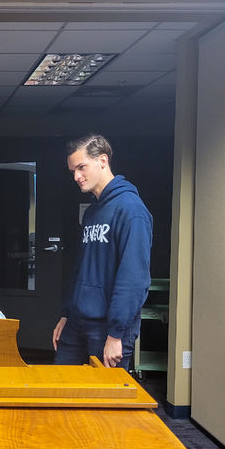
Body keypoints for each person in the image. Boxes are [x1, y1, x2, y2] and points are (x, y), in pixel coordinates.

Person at [52, 134, 152, 370]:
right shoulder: (92, 212)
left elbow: (134, 278)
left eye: (81, 167)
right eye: (72, 171)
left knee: (103, 401)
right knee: (61, 388)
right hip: (77, 321)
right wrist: (67, 313)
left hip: (109, 328)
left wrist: (116, 334)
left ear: (103, 161)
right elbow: (83, 267)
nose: (76, 176)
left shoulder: (131, 210)